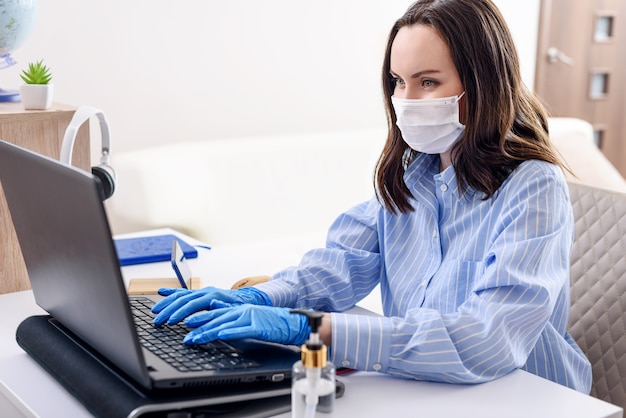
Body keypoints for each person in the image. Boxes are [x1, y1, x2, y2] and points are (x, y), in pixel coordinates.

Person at [153, 0, 592, 393]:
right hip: (431, 392)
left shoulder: (533, 187)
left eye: (427, 82)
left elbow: (486, 339)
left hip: (529, 395)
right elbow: (343, 263)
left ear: (483, 84)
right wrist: (269, 296)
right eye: (398, 81)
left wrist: (314, 330)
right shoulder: (412, 171)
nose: (405, 99)